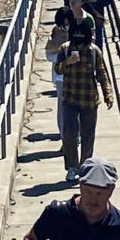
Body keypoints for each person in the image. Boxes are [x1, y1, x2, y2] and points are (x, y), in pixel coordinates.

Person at [54, 0, 114, 182]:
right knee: (70, 135)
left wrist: (108, 94)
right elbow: (57, 69)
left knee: (88, 136)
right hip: (70, 98)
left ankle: (84, 167)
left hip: (89, 99)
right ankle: (71, 166)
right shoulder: (65, 49)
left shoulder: (94, 51)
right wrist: (67, 63)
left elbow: (102, 73)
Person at [23, 157, 120, 240]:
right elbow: (30, 239)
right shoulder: (56, 213)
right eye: (88, 192)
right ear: (80, 186)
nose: (93, 200)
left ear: (111, 190)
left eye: (99, 193)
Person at [45, 8, 72, 147]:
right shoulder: (55, 33)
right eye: (63, 23)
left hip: (76, 75)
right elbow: (49, 55)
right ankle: (64, 138)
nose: (66, 25)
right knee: (63, 108)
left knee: (76, 108)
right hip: (61, 77)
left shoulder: (78, 31)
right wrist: (62, 54)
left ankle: (74, 137)